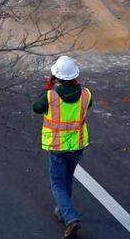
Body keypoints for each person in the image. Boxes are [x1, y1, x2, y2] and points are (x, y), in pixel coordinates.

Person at [34, 56, 92, 238]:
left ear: (55, 76)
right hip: (78, 146)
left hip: (57, 147)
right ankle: (62, 210)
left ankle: (70, 217)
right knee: (67, 178)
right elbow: (87, 104)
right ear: (75, 76)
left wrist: (48, 88)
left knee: (57, 182)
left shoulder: (50, 96)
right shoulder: (86, 94)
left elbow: (36, 107)